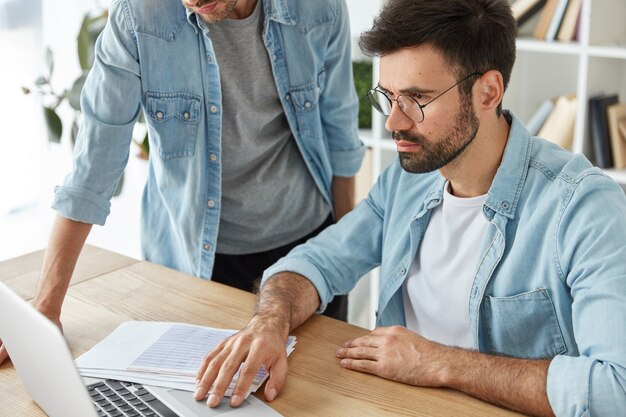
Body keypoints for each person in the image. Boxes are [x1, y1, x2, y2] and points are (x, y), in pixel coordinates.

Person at [191, 0, 626, 416]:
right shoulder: (408, 178)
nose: (393, 122)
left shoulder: (585, 210)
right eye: (388, 97)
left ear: (488, 92)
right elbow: (317, 261)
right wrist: (269, 322)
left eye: (417, 100)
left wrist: (439, 363)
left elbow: (616, 389)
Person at [0, 0, 365, 364]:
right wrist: (45, 309)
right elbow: (93, 168)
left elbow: (341, 133)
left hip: (306, 252)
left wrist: (341, 247)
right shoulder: (137, 18)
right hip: (199, 263)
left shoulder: (318, 7)